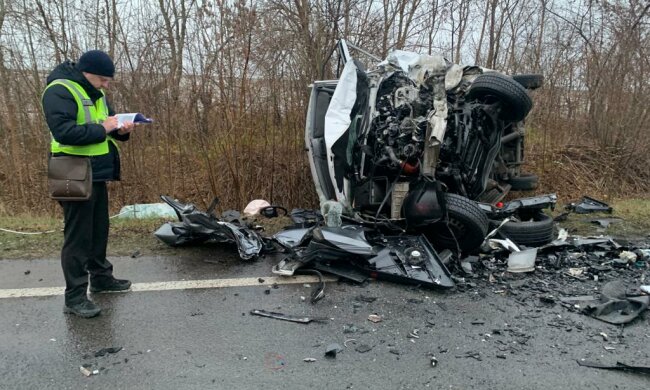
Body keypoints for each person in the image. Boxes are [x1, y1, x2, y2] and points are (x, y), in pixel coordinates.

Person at [42, 50, 135, 318]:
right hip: (70, 169)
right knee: (78, 236)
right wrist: (105, 128)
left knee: (98, 229)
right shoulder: (58, 90)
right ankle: (74, 297)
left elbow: (108, 124)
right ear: (86, 72)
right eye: (103, 79)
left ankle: (102, 279)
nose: (107, 85)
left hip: (97, 170)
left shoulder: (96, 92)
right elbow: (65, 132)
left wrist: (121, 130)